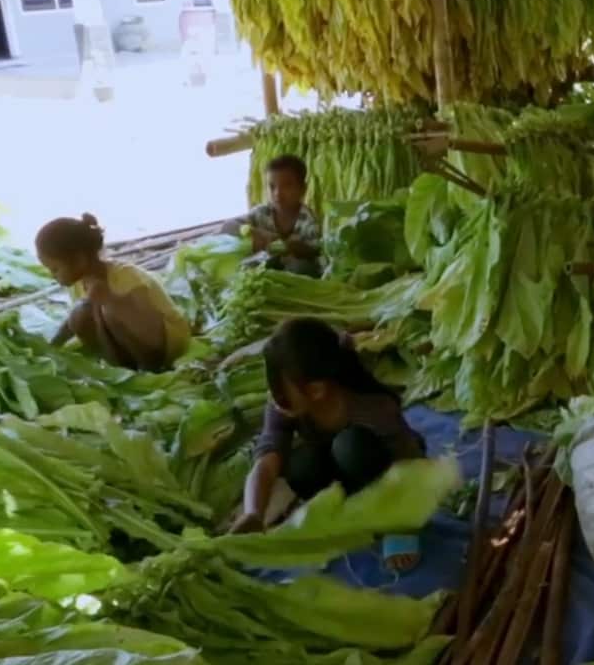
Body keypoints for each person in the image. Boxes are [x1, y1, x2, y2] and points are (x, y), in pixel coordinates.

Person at [229, 318, 426, 572]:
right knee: (300, 466)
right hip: (346, 476)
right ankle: (356, 511)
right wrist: (253, 512)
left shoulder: (372, 407)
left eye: (281, 392)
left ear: (316, 390)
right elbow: (267, 459)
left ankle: (390, 523)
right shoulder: (286, 407)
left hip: (391, 473)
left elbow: (410, 465)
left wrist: (405, 521)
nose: (275, 400)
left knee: (350, 446)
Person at [36, 214, 191, 372]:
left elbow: (151, 330)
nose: (52, 275)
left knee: (109, 310)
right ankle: (120, 368)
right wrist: (51, 347)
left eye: (55, 269)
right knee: (79, 316)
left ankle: (149, 368)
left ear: (79, 260)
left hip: (166, 342)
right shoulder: (78, 284)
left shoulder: (126, 276)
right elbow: (73, 323)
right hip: (135, 342)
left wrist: (110, 300)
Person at [223, 154, 323, 277]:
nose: (278, 193)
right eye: (272, 186)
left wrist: (294, 247)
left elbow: (316, 250)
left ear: (303, 189)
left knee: (302, 268)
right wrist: (254, 232)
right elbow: (228, 225)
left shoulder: (308, 220)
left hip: (293, 272)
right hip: (262, 267)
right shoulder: (261, 213)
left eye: (287, 186)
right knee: (244, 266)